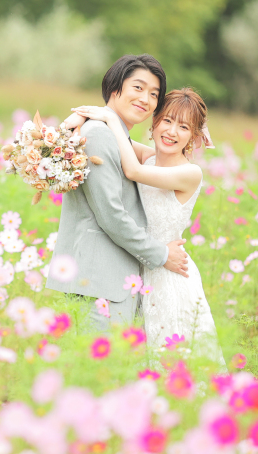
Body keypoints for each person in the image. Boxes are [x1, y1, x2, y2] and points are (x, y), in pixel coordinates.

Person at [72, 88, 226, 366]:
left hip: (169, 276)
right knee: (133, 358)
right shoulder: (147, 157)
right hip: (137, 266)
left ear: (193, 136)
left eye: (183, 127)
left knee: (171, 359)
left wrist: (109, 117)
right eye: (166, 120)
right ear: (154, 123)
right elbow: (109, 139)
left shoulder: (190, 173)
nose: (171, 131)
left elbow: (133, 172)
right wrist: (82, 120)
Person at [45, 54, 189, 328]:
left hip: (109, 281)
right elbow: (111, 214)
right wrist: (162, 254)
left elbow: (150, 160)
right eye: (138, 87)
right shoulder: (99, 135)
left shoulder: (114, 136)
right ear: (114, 87)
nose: (145, 99)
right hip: (99, 282)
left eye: (154, 94)